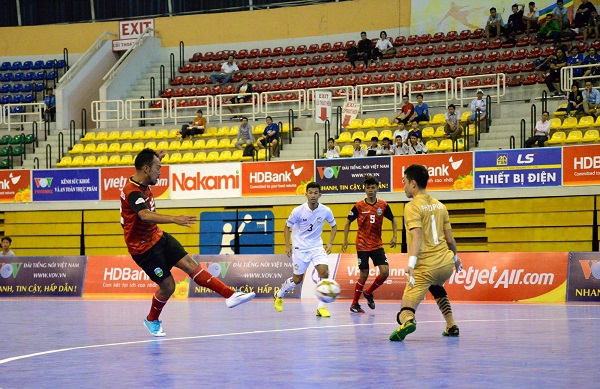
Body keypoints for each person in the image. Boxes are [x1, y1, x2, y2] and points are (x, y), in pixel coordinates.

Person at [120, 148, 255, 337]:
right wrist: (175, 219)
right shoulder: (133, 192)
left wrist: (157, 158)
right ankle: (151, 320)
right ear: (145, 169)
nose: (160, 172)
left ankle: (230, 296)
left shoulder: (143, 178)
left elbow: (148, 168)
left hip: (158, 236)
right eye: (158, 168)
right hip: (143, 248)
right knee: (168, 286)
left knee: (190, 264)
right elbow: (144, 214)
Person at [389, 164, 463, 342]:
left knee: (404, 311)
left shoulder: (412, 206)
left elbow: (416, 236)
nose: (404, 186)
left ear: (413, 183)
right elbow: (451, 240)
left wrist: (411, 265)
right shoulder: (440, 206)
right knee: (437, 286)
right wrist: (456, 258)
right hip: (446, 264)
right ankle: (451, 324)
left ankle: (408, 322)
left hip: (425, 266)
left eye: (405, 182)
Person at [274, 181, 338, 317]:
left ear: (320, 195)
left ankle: (321, 307)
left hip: (316, 247)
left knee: (324, 272)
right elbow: (287, 227)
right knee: (297, 280)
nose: (313, 195)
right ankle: (279, 294)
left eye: (316, 193)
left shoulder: (326, 211)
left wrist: (330, 243)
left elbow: (334, 226)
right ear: (306, 194)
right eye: (310, 193)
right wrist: (287, 245)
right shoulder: (298, 211)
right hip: (300, 248)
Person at [342, 176, 397, 314]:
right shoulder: (358, 206)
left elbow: (394, 219)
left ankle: (369, 292)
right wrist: (345, 239)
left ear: (377, 189)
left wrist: (395, 236)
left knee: (385, 273)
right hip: (362, 245)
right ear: (365, 190)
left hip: (377, 245)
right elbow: (348, 222)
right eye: (368, 188)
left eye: (373, 188)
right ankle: (354, 304)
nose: (370, 190)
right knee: (364, 274)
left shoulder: (383, 205)